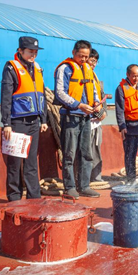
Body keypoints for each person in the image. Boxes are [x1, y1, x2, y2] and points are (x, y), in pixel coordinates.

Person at [0, 36, 48, 202]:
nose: (33, 55)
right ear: (20, 51)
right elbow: (5, 97)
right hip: (16, 122)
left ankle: (34, 197)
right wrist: (6, 123)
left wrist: (44, 119)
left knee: (31, 162)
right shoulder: (11, 68)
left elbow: (42, 96)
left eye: (35, 52)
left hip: (34, 122)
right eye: (30, 52)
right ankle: (14, 196)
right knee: (14, 162)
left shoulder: (37, 68)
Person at [54, 40, 102, 199]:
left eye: (86, 56)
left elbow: (94, 91)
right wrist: (78, 105)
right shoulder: (64, 69)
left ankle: (84, 185)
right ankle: (70, 187)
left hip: (86, 118)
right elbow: (60, 93)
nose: (83, 59)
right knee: (69, 153)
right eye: (81, 56)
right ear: (74, 52)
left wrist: (96, 103)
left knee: (86, 153)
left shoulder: (88, 69)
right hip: (70, 117)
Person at [88, 49, 107, 182]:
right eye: (91, 60)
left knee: (96, 150)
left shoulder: (95, 77)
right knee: (85, 151)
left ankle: (96, 178)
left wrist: (103, 112)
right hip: (86, 121)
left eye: (95, 61)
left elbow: (102, 96)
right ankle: (84, 180)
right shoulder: (80, 76)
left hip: (97, 122)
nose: (93, 64)